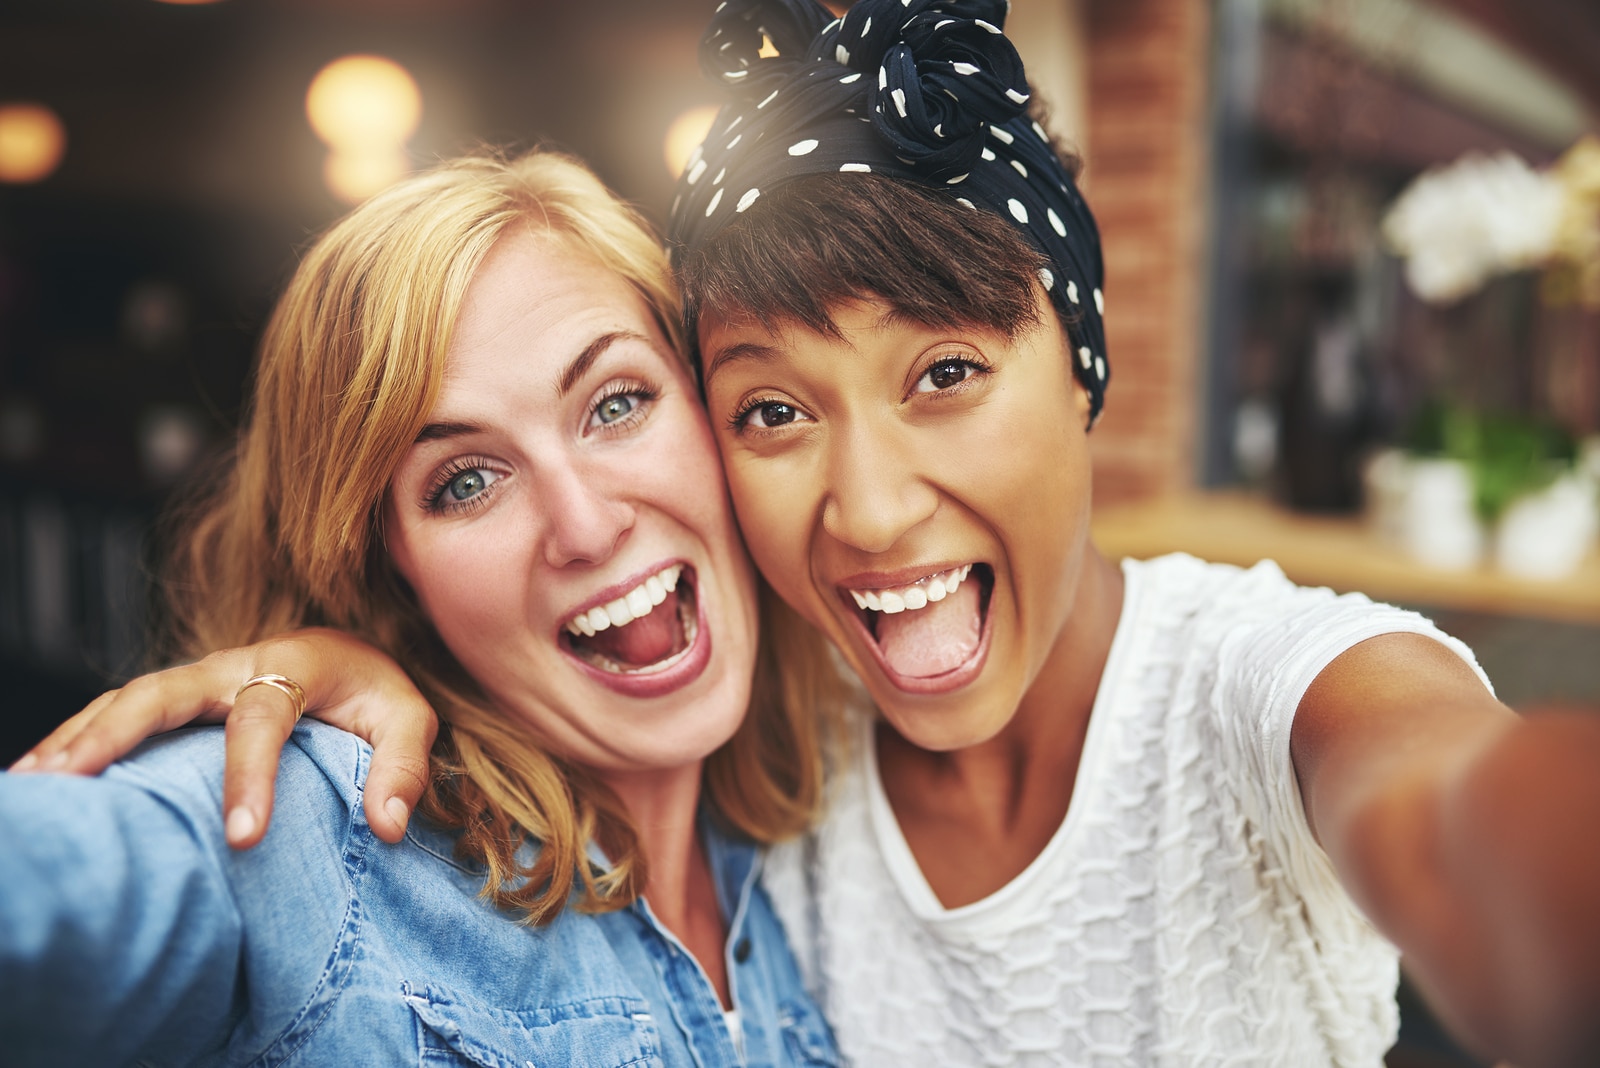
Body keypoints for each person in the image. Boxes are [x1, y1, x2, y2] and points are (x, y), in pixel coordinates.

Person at [19, 1, 1600, 1066]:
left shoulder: (1233, 689)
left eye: (950, 373)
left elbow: (1452, 806)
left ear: (1087, 371)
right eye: (774, 411)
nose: (869, 506)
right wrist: (343, 659)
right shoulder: (354, 824)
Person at [0, 149, 844, 1067]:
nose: (587, 525)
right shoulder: (303, 826)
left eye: (617, 402)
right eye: (466, 481)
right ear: (387, 574)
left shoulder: (821, 837)